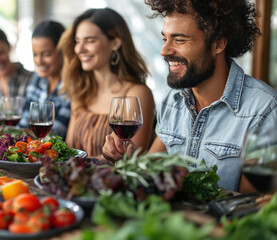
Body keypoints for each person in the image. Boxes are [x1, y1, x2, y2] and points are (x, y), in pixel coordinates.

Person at [103, 0, 277, 192]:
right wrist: (127, 159)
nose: (164, 50)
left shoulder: (264, 110)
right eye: (164, 39)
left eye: (179, 40)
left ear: (218, 44)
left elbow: (249, 208)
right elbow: (150, 172)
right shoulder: (172, 101)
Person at [60, 8, 155, 158]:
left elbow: (130, 159)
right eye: (77, 41)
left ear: (115, 42)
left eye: (90, 41)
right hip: (73, 179)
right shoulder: (81, 91)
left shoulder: (137, 94)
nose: (79, 49)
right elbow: (71, 149)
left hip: (110, 180)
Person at [18, 20, 71, 139]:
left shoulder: (72, 85)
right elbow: (23, 123)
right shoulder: (36, 79)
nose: (39, 61)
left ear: (63, 51)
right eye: (35, 54)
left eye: (46, 54)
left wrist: (23, 134)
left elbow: (57, 133)